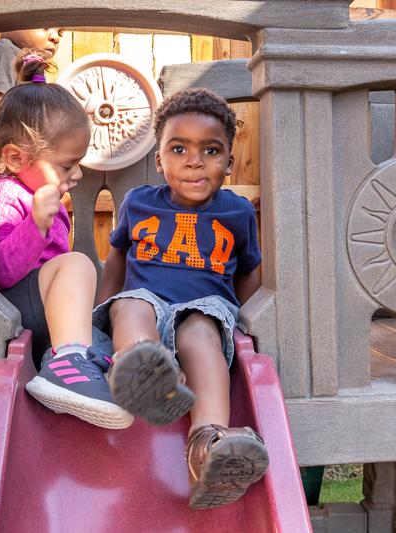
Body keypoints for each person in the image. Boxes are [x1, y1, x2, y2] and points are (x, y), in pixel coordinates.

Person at [93, 88, 269, 509]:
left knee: (202, 334)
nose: (194, 161)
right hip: (146, 302)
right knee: (130, 305)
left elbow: (250, 270)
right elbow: (117, 256)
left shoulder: (238, 212)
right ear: (159, 160)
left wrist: (251, 326)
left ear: (229, 162)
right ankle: (144, 371)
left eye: (211, 150)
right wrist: (95, 317)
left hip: (205, 307)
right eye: (179, 149)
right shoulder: (138, 202)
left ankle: (208, 446)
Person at [0, 50, 132, 430]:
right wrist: (35, 225)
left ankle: (103, 372)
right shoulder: (9, 195)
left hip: (43, 311)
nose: (77, 175)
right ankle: (67, 364)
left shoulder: (42, 196)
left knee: (105, 338)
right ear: (16, 158)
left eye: (79, 163)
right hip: (17, 310)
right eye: (67, 165)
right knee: (77, 262)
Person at [0, 29, 63, 109]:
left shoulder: (36, 64)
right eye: (45, 27)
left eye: (59, 33)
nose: (56, 38)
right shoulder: (5, 51)